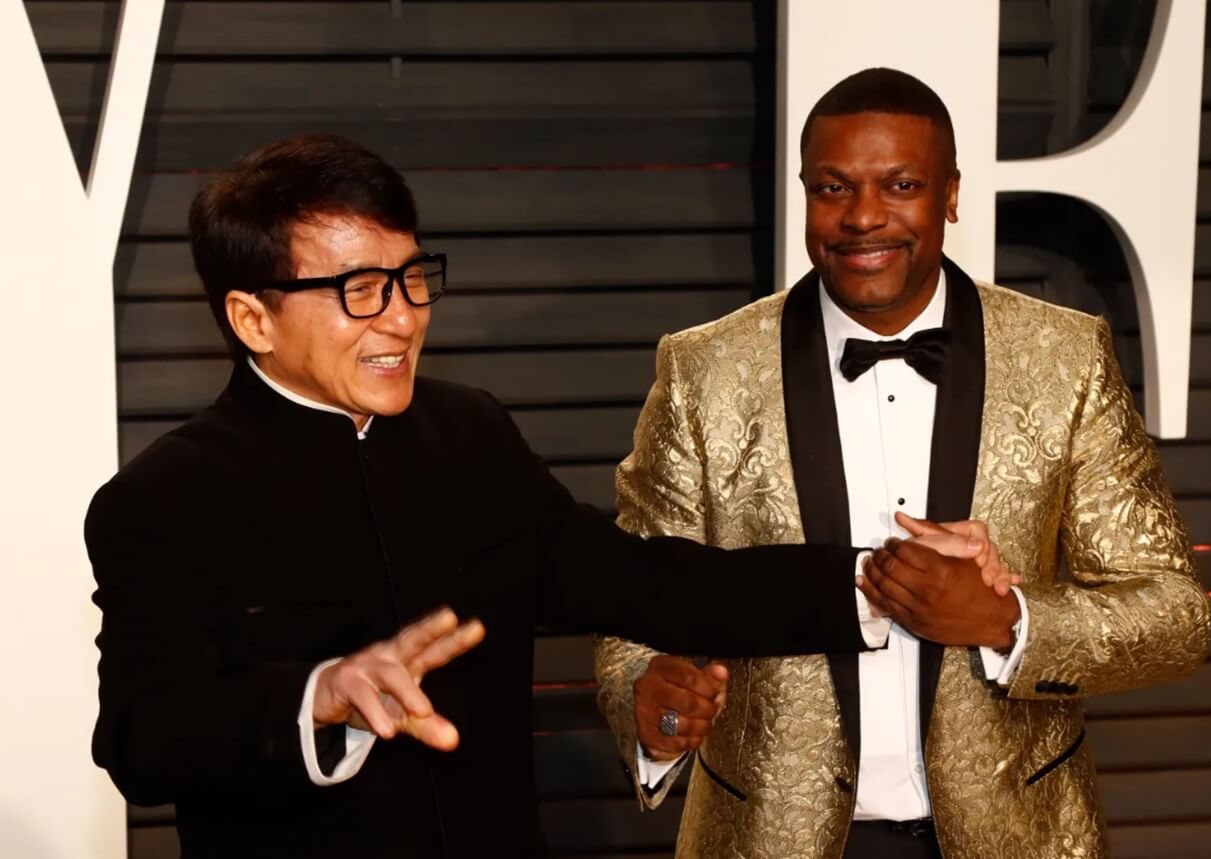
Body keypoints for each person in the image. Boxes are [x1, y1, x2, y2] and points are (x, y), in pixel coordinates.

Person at [86, 134, 1017, 858]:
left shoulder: (469, 436)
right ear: (252, 316)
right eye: (360, 290)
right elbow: (142, 742)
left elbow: (647, 583)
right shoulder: (165, 499)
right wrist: (317, 695)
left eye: (413, 278)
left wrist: (878, 576)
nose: (405, 316)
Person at [594, 68, 1211, 859]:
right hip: (765, 838)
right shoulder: (702, 370)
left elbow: (1174, 613)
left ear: (950, 194)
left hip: (1014, 836)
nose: (862, 217)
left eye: (901, 184)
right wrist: (647, 703)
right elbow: (631, 602)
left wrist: (1005, 620)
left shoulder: (1067, 358)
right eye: (833, 187)